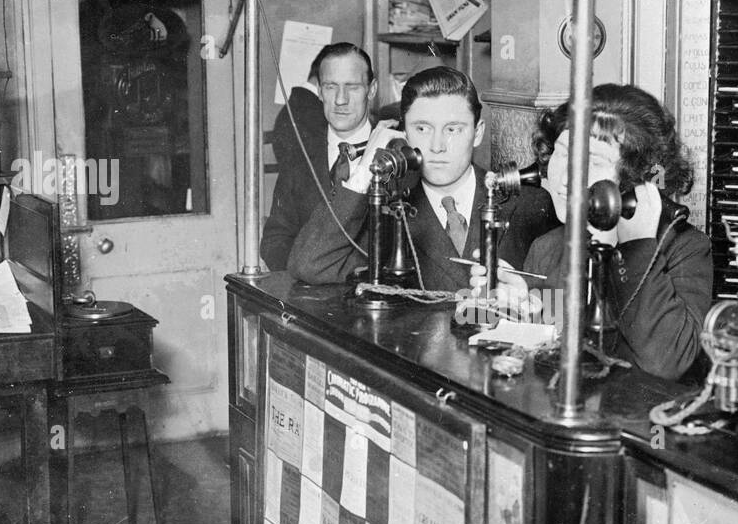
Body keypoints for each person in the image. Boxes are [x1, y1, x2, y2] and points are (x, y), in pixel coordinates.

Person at [487, 84, 714, 381]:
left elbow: (666, 362)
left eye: (592, 161)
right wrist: (523, 316)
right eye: (563, 153)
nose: (566, 177)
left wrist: (637, 246)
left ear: (636, 179)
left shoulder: (686, 248)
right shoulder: (546, 247)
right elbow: (540, 371)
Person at [286, 66, 554, 291]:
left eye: (453, 129)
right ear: (403, 134)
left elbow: (563, 307)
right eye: (422, 128)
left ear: (478, 132)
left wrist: (529, 306)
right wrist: (364, 170)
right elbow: (310, 263)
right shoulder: (387, 213)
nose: (437, 146)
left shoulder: (529, 205)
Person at [260, 42, 379, 271]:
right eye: (331, 87)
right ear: (320, 91)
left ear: (371, 90)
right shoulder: (301, 156)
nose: (340, 99)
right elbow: (275, 239)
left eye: (352, 87)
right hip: (310, 298)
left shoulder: (395, 153)